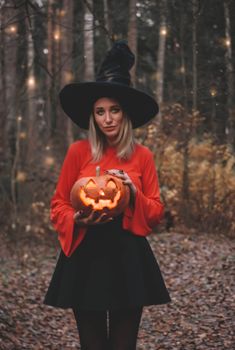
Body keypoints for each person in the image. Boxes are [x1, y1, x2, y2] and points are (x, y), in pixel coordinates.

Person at [44, 40, 171, 350]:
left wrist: (132, 191)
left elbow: (155, 211)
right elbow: (58, 204)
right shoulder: (78, 152)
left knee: (123, 345)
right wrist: (74, 217)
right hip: (86, 256)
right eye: (100, 111)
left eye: (114, 110)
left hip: (128, 257)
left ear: (124, 113)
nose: (108, 118)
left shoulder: (142, 156)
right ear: (93, 116)